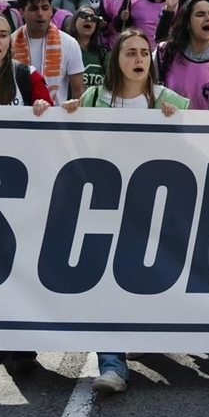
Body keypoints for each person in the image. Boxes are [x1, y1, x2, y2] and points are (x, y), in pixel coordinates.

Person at [75, 28, 184, 395]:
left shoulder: (172, 101)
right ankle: (112, 364)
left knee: (146, 281)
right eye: (130, 53)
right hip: (103, 209)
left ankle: (141, 332)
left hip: (153, 212)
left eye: (144, 52)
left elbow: (196, 150)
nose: (139, 59)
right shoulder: (92, 98)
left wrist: (179, 125)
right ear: (114, 60)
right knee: (103, 284)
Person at [157, 0, 209, 110]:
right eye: (200, 14)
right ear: (187, 22)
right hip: (171, 126)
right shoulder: (164, 52)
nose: (208, 18)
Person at [11, 0, 86, 105]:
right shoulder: (10, 43)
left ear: (51, 10)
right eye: (33, 8)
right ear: (21, 12)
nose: (40, 13)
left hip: (56, 117)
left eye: (45, 8)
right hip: (19, 116)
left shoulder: (69, 43)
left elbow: (78, 89)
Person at [68, 6, 110, 91]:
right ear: (74, 21)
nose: (89, 19)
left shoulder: (104, 53)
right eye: (83, 15)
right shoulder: (64, 50)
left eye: (94, 18)